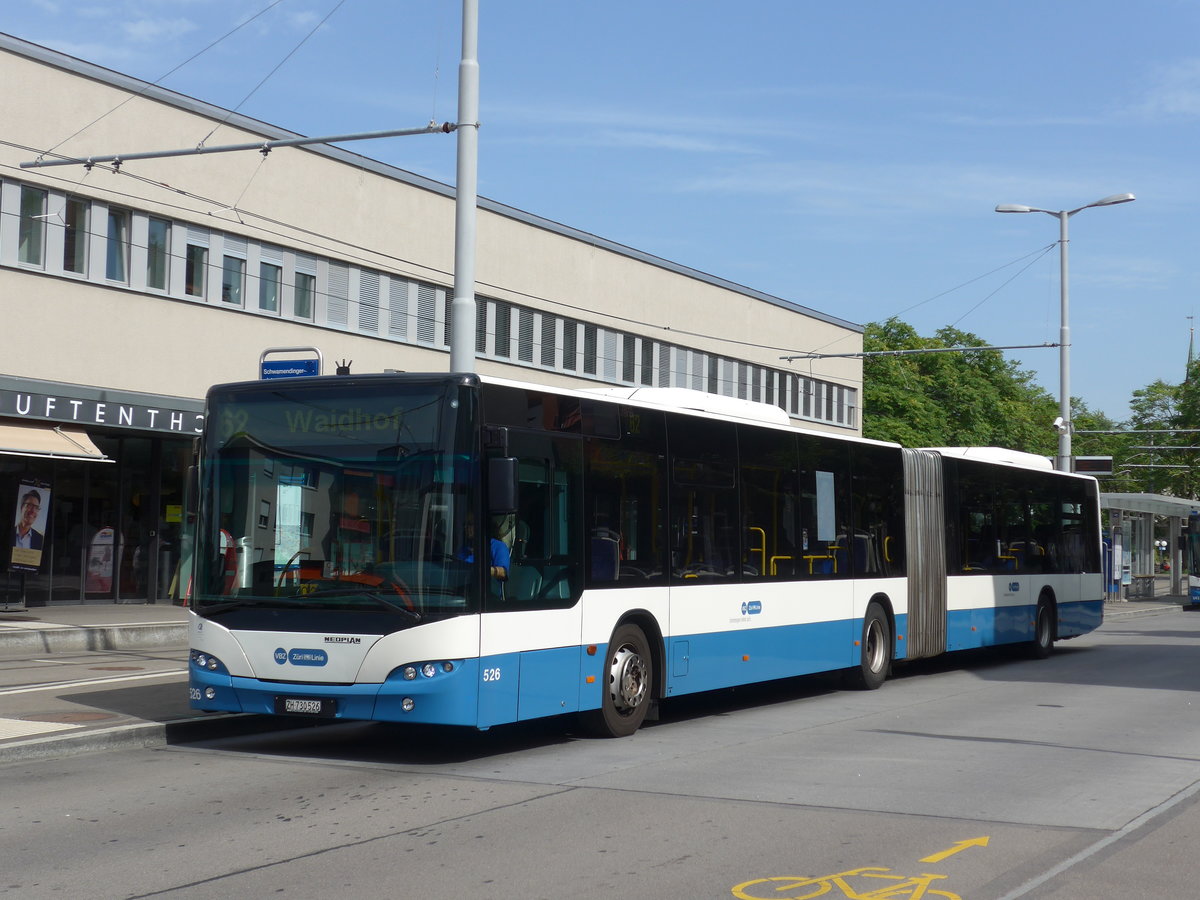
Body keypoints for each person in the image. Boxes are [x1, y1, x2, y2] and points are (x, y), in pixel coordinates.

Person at [457, 513, 510, 582]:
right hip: (462, 589)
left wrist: (482, 570)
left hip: (486, 590)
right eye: (465, 524)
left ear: (481, 525)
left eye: (470, 524)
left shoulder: (498, 546)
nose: (465, 527)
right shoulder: (464, 549)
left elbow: (503, 572)